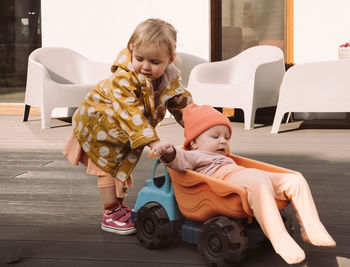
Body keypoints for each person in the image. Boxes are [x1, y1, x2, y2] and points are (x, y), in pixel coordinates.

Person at [152, 104, 336, 265]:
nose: (223, 140)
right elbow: (177, 160)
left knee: (295, 179)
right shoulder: (193, 155)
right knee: (260, 182)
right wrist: (169, 151)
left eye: (226, 137)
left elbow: (249, 172)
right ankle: (279, 239)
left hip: (248, 176)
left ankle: (312, 227)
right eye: (215, 136)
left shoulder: (226, 157)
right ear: (194, 142)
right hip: (226, 183)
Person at [63, 18, 192, 235]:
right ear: (131, 50)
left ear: (169, 61)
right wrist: (154, 141)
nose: (145, 66)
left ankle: (118, 207)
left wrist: (200, 126)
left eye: (154, 61)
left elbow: (182, 104)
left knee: (120, 164)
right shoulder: (123, 79)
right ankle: (110, 213)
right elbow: (130, 112)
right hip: (99, 125)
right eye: (139, 58)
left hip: (123, 129)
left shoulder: (169, 80)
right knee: (107, 167)